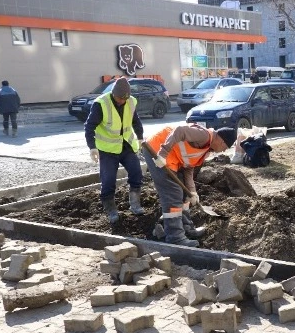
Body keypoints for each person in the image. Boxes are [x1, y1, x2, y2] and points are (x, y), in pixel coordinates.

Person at [142, 124, 236, 247]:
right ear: (221, 140)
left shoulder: (206, 149)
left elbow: (189, 168)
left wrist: (192, 192)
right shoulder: (204, 135)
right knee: (173, 194)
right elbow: (180, 130)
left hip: (173, 159)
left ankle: (187, 228)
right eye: (225, 147)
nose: (224, 151)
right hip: (156, 151)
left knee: (185, 195)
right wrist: (163, 153)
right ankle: (175, 236)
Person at [84, 77, 145, 224]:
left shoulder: (130, 101)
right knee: (108, 181)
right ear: (113, 94)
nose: (122, 101)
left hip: (126, 146)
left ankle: (135, 204)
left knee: (136, 172)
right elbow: (89, 126)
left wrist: (140, 137)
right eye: (119, 98)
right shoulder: (101, 104)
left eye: (124, 99)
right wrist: (92, 147)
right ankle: (111, 210)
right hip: (107, 150)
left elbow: (135, 120)